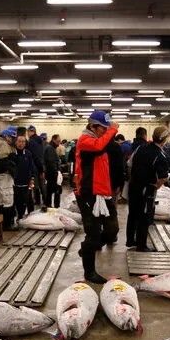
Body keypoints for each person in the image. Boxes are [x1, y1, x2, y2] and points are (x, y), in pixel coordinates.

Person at [74, 111, 118, 284]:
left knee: (112, 229)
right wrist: (112, 130)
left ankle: (87, 248)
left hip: (103, 193)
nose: (105, 131)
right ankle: (89, 271)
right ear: (92, 126)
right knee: (92, 233)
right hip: (88, 194)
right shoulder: (85, 141)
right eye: (102, 128)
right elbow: (98, 146)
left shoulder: (100, 141)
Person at [127, 126, 169, 251]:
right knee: (144, 216)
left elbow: (129, 164)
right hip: (146, 190)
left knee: (133, 214)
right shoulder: (160, 155)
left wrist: (133, 178)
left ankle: (130, 240)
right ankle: (141, 245)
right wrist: (157, 185)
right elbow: (163, 176)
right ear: (164, 140)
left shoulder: (141, 147)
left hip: (133, 186)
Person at [0, 129, 18, 231]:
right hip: (4, 176)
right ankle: (7, 224)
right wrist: (9, 168)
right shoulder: (4, 145)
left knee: (1, 199)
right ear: (6, 136)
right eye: (11, 137)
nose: (12, 139)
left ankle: (1, 223)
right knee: (8, 199)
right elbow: (4, 160)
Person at [103, 133, 125, 246]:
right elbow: (120, 167)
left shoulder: (97, 145)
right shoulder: (115, 147)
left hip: (98, 185)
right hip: (111, 184)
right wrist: (119, 185)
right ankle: (111, 236)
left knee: (98, 211)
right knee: (111, 209)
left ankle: (100, 236)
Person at [14, 135, 36, 220]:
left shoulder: (28, 153)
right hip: (16, 183)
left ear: (25, 143)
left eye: (23, 142)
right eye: (19, 141)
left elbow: (32, 167)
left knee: (29, 201)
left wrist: (32, 178)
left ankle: (32, 218)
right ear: (16, 142)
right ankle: (20, 216)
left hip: (27, 182)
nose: (21, 143)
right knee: (18, 202)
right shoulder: (13, 153)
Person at [26, 125, 46, 205]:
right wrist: (42, 168)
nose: (27, 134)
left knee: (35, 186)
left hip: (35, 167)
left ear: (31, 132)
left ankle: (37, 201)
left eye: (28, 132)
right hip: (41, 166)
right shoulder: (40, 140)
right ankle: (45, 200)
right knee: (42, 185)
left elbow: (35, 155)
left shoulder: (31, 141)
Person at [44, 134, 62, 208]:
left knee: (50, 190)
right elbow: (51, 162)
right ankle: (55, 206)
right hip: (52, 174)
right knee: (55, 190)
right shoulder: (50, 148)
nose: (58, 144)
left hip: (50, 173)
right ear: (53, 140)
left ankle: (49, 205)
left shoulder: (50, 148)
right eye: (58, 142)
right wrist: (56, 172)